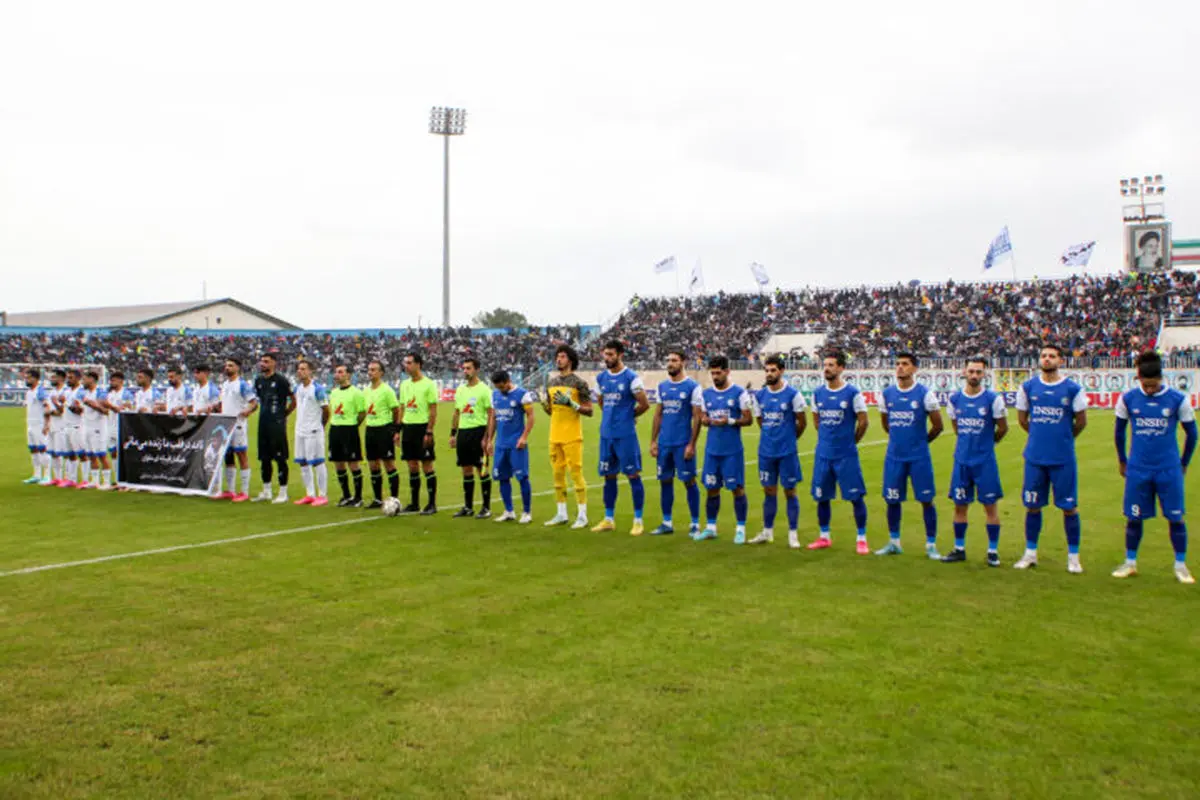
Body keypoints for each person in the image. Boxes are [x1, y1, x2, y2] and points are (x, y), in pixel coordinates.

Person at [1112, 352, 1197, 584]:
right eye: (1145, 385)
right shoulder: (1128, 399)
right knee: (1134, 518)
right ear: (1138, 378)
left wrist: (1184, 463)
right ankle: (1130, 562)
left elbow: (1192, 434)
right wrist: (1122, 460)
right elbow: (1119, 432)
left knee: (1176, 518)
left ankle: (1180, 566)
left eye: (1153, 385)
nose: (1149, 389)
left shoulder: (1177, 399)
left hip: (1168, 469)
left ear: (1161, 378)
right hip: (1138, 469)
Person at [1014, 344, 1088, 572]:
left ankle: (1073, 557)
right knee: (1033, 506)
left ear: (1061, 361)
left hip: (1062, 459)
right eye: (1044, 355)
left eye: (1052, 356)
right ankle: (1030, 553)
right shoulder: (1027, 387)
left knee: (1069, 508)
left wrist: (1063, 438)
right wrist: (1040, 437)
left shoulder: (1072, 389)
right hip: (1035, 458)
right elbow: (1023, 419)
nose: (1047, 359)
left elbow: (1081, 421)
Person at [875, 352, 944, 559]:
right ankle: (894, 542)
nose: (900, 368)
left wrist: (921, 442)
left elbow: (938, 425)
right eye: (897, 364)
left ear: (914, 369)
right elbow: (886, 424)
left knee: (926, 500)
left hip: (919, 457)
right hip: (895, 456)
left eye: (905, 364)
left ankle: (931, 545)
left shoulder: (924, 393)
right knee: (892, 499)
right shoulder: (887, 394)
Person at [943, 357, 1008, 566]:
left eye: (978, 372)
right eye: (971, 371)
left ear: (985, 374)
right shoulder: (954, 400)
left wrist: (987, 444)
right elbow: (956, 428)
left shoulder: (993, 399)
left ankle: (992, 551)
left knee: (990, 507)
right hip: (962, 461)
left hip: (985, 462)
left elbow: (1003, 428)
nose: (974, 376)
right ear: (964, 372)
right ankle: (959, 548)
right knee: (960, 506)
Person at [808, 351, 870, 553]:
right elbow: (816, 420)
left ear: (841, 368)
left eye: (831, 365)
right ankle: (824, 536)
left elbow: (863, 421)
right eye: (825, 364)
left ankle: (861, 538)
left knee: (855, 497)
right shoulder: (817, 393)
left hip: (846, 455)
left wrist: (851, 442)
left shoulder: (852, 393)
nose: (827, 368)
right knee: (822, 497)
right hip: (824, 454)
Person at [592, 340, 651, 534]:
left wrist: (628, 416)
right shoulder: (601, 378)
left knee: (633, 475)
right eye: (605, 354)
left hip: (625, 435)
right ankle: (609, 518)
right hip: (606, 434)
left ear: (620, 355)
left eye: (610, 354)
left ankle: (638, 520)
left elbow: (644, 404)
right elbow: (601, 402)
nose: (606, 358)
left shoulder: (631, 377)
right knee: (609, 476)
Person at [749, 355, 807, 548]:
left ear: (781, 371)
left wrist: (789, 438)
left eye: (773, 370)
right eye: (767, 370)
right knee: (769, 491)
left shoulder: (793, 394)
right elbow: (760, 422)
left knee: (790, 491)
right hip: (766, 452)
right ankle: (767, 532)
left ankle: (793, 533)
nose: (769, 374)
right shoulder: (759, 396)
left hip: (787, 452)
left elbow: (802, 422)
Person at [697, 355, 753, 542]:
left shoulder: (739, 393)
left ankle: (740, 529)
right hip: (712, 450)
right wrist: (705, 420)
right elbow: (703, 417)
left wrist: (729, 421)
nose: (715, 376)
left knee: (737, 488)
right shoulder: (706, 394)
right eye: (712, 373)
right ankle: (711, 527)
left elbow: (748, 419)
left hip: (732, 451)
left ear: (727, 371)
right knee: (711, 489)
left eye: (718, 373)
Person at [649, 350, 703, 537]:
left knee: (689, 481)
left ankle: (695, 523)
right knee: (665, 481)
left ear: (683, 363)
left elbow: (697, 417)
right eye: (668, 360)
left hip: (682, 443)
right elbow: (658, 415)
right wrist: (653, 441)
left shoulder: (692, 387)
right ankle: (666, 522)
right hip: (665, 443)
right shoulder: (662, 386)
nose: (670, 363)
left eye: (674, 360)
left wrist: (692, 444)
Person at [541, 345, 592, 529]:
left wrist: (573, 404)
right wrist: (544, 405)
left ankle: (582, 515)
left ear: (570, 360)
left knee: (576, 474)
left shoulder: (579, 383)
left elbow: (590, 410)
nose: (558, 360)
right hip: (554, 435)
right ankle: (561, 513)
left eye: (562, 356)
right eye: (557, 356)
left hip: (572, 436)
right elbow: (551, 411)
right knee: (557, 475)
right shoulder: (552, 383)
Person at [487, 370, 535, 523]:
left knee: (522, 477)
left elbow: (531, 417)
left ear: (508, 381)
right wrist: (489, 440)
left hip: (516, 444)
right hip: (501, 444)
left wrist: (524, 437)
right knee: (502, 477)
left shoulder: (522, 394)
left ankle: (527, 512)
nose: (501, 390)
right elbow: (493, 418)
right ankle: (509, 511)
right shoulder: (494, 395)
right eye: (498, 388)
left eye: (502, 387)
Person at [450, 358, 494, 519]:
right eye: (464, 368)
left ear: (477, 370)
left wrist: (488, 438)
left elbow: (491, 414)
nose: (465, 371)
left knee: (481, 469)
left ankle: (486, 507)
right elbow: (456, 412)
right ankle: (468, 507)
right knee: (465, 469)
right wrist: (453, 433)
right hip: (463, 432)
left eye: (468, 368)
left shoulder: (484, 390)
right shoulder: (461, 390)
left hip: (478, 432)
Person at [399, 352, 440, 515]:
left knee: (427, 464)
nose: (406, 366)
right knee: (412, 465)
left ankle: (431, 504)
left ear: (418, 364)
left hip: (422, 428)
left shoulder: (429, 384)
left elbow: (433, 410)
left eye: (409, 363)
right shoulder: (404, 385)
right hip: (408, 428)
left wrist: (429, 431)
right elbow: (402, 407)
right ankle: (414, 503)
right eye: (405, 363)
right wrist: (398, 430)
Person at [252, 352, 295, 504]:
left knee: (280, 458)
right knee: (264, 458)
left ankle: (283, 492)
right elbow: (259, 399)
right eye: (262, 361)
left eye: (266, 361)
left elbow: (293, 399)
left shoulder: (281, 380)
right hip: (262, 423)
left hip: (276, 425)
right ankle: (267, 491)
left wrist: (284, 415)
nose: (262, 364)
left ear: (273, 364)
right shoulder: (258, 381)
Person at [215, 358, 259, 502]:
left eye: (231, 365)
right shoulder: (225, 384)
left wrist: (247, 411)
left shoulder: (242, 385)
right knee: (228, 457)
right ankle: (231, 490)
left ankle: (244, 492)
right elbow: (223, 404)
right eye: (226, 365)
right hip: (225, 425)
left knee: (242, 456)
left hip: (238, 425)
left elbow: (254, 402)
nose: (227, 368)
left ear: (238, 368)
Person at [291, 359, 330, 506]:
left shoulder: (318, 389)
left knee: (318, 462)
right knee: (303, 463)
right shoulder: (298, 388)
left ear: (310, 371)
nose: (300, 371)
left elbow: (326, 410)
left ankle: (323, 495)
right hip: (299, 430)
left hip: (313, 430)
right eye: (299, 369)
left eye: (303, 369)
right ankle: (310, 494)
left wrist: (321, 425)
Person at [363, 360, 400, 510]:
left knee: (389, 463)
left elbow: (396, 410)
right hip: (370, 429)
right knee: (373, 465)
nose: (370, 372)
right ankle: (378, 499)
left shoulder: (387, 390)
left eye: (374, 370)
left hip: (384, 429)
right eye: (369, 369)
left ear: (381, 373)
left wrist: (394, 429)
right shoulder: (366, 391)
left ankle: (394, 498)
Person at [328, 364, 367, 507]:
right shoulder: (333, 392)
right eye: (336, 372)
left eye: (340, 372)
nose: (337, 374)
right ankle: (346, 495)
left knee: (353, 463)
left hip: (349, 430)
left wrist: (353, 425)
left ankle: (358, 497)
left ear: (348, 375)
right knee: (338, 463)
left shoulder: (356, 393)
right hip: (335, 429)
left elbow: (362, 413)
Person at [79, 370, 114, 491]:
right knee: (91, 455)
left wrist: (92, 404)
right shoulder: (84, 393)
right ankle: (94, 481)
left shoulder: (100, 392)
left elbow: (105, 411)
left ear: (92, 379)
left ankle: (107, 482)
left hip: (98, 427)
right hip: (87, 425)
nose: (82, 381)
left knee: (101, 455)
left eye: (84, 379)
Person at [21, 368, 52, 485]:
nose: (27, 380)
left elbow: (47, 407)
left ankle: (47, 475)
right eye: (26, 378)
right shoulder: (29, 392)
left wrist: (47, 425)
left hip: (39, 425)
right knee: (33, 450)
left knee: (43, 449)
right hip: (30, 424)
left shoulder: (40, 391)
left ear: (36, 379)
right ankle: (36, 475)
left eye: (29, 378)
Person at [63, 369, 88, 488]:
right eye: (68, 377)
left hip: (77, 426)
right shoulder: (67, 391)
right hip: (67, 426)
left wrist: (66, 404)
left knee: (81, 453)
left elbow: (80, 411)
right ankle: (71, 479)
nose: (68, 380)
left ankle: (85, 479)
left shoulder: (81, 392)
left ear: (78, 379)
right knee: (70, 454)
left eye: (71, 378)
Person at [105, 371, 137, 464]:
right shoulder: (110, 394)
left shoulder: (126, 394)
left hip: (121, 426)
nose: (111, 382)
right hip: (110, 425)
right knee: (112, 451)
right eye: (110, 381)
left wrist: (126, 406)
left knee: (122, 452)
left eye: (114, 380)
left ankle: (122, 474)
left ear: (121, 381)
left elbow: (131, 408)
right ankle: (116, 474)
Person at [46, 370, 70, 485]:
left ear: (61, 378)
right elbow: (48, 410)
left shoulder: (65, 392)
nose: (52, 379)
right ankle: (57, 477)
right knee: (53, 453)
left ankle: (67, 477)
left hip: (62, 426)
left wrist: (54, 409)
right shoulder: (52, 392)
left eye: (54, 377)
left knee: (63, 453)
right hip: (52, 425)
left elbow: (62, 411)